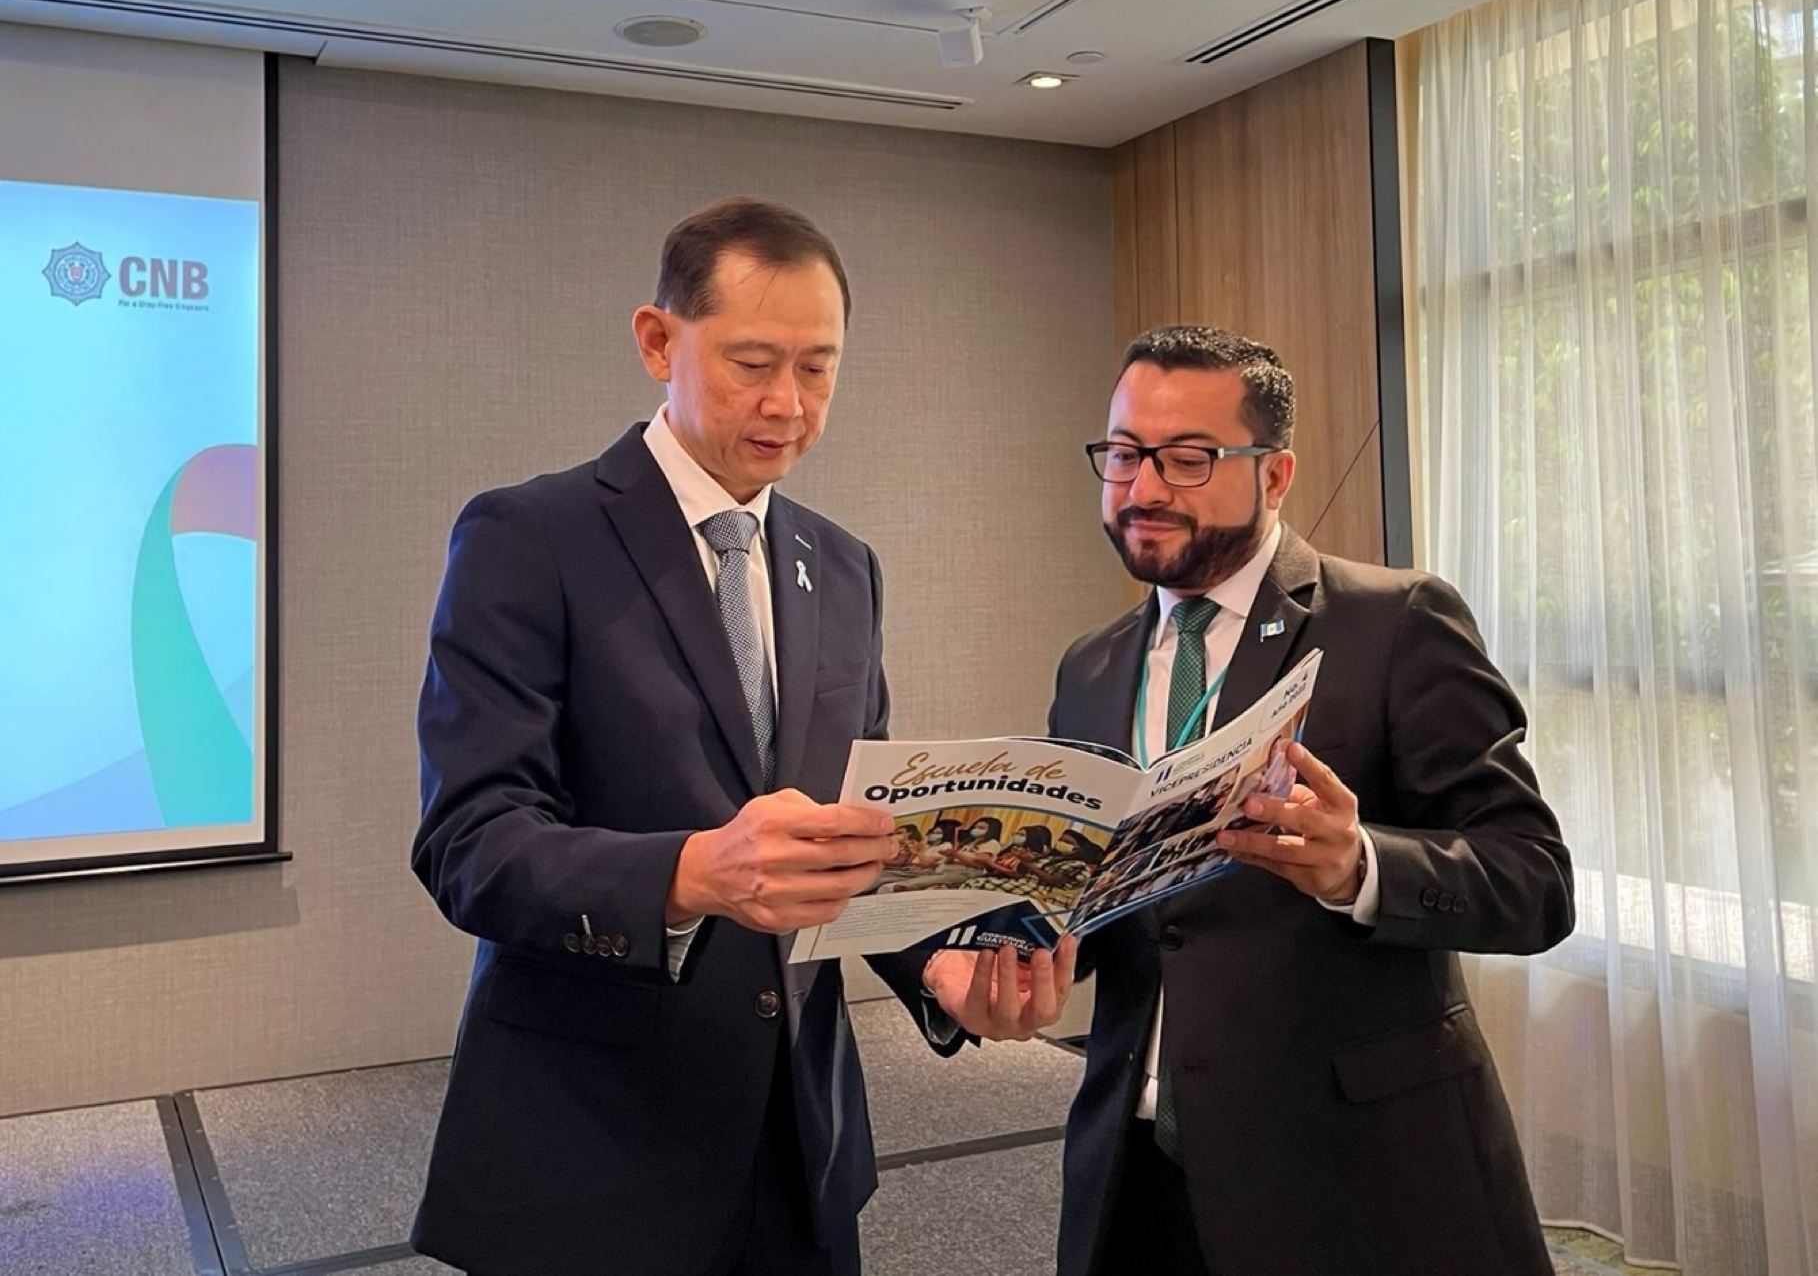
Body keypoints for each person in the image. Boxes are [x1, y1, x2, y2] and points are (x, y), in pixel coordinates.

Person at [408, 197, 1067, 1276]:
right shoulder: (531, 537)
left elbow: (860, 843)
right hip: (590, 1146)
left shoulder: (843, 565)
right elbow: (471, 842)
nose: (787, 404)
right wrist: (693, 870)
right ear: (658, 340)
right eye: (754, 361)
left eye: (819, 368)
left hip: (799, 1150)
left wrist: (945, 959)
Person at [1048, 325, 1575, 1276]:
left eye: (1190, 458)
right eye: (1124, 454)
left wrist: (1357, 866)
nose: (1146, 487)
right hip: (1136, 1165)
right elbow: (1123, 913)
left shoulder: (1395, 623)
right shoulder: (1090, 669)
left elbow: (1535, 881)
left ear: (1276, 474)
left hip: (1354, 1169)